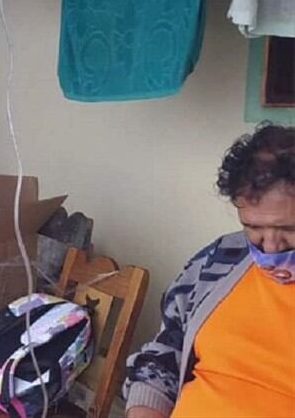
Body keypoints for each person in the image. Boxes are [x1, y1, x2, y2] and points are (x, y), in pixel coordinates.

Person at [124, 123, 295, 418]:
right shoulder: (218, 261)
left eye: (289, 230)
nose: (269, 249)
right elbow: (163, 357)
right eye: (253, 228)